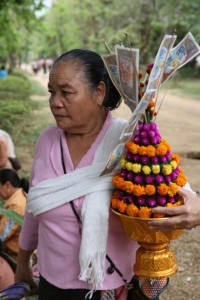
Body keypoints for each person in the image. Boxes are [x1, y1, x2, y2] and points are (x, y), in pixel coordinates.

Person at [15, 49, 168, 300]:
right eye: (52, 92)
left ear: (99, 92)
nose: (55, 101)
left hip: (116, 286)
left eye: (66, 92)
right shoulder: (47, 141)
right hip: (53, 286)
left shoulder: (133, 142)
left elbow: (170, 198)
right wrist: (22, 262)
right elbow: (36, 205)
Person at [0, 169, 29, 261]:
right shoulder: (19, 197)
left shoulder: (17, 205)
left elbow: (2, 234)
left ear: (7, 185)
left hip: (15, 257)